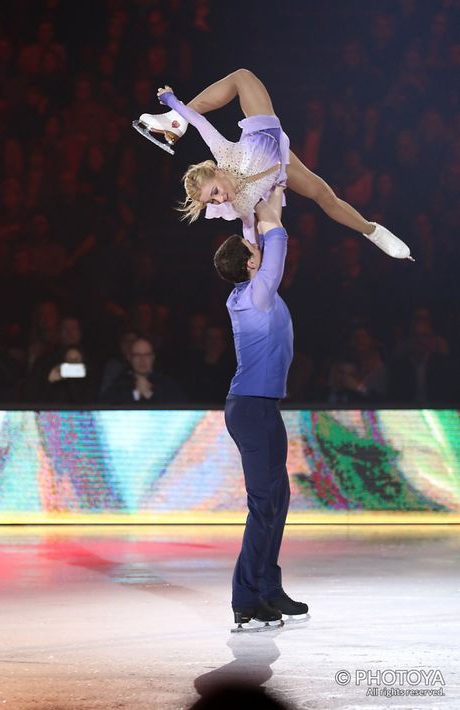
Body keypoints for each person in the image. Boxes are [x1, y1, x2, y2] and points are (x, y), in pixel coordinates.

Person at [137, 68, 413, 259]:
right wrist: (253, 255)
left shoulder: (223, 152)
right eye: (213, 201)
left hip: (262, 125)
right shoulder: (241, 204)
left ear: (218, 172)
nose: (221, 200)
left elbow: (201, 123)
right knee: (323, 195)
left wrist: (171, 99)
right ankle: (372, 230)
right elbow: (248, 231)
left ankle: (174, 120)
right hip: (279, 164)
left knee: (242, 77)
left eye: (215, 192)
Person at [213, 186, 308, 631]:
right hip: (251, 409)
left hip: (258, 406)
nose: (258, 248)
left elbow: (259, 232)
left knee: (277, 499)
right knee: (263, 504)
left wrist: (263, 191)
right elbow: (279, 239)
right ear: (251, 264)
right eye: (254, 250)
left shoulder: (248, 288)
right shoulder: (258, 295)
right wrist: (275, 195)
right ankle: (245, 596)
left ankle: (268, 587)